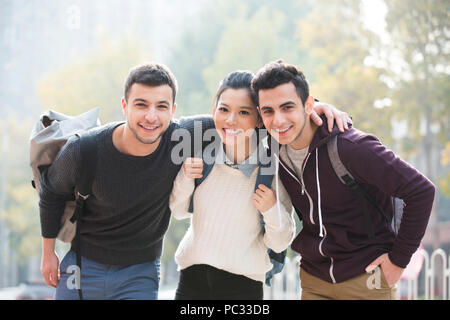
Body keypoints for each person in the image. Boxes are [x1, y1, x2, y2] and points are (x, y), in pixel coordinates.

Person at [39, 62, 349, 300]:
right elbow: (52, 194)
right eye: (141, 105)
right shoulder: (89, 148)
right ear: (124, 106)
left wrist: (313, 106)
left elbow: (267, 98)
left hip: (147, 271)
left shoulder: (188, 137)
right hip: (88, 264)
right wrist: (48, 252)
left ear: (173, 111)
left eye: (161, 107)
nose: (151, 117)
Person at [251, 60, 436, 300]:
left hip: (366, 278)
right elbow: (227, 121)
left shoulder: (351, 147)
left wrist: (397, 261)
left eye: (287, 107)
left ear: (308, 105)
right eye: (268, 111)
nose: (277, 120)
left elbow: (421, 191)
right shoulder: (274, 147)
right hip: (314, 279)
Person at [169, 70, 295, 300]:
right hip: (191, 283)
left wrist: (271, 208)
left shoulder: (271, 171)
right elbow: (178, 211)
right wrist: (186, 178)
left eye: (243, 112)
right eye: (224, 109)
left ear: (258, 119)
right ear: (214, 110)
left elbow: (279, 243)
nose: (231, 120)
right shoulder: (201, 157)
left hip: (243, 288)